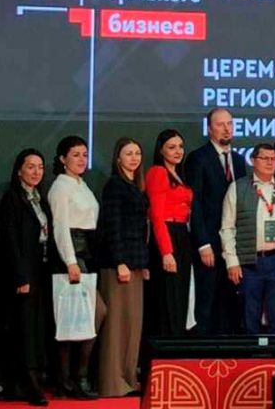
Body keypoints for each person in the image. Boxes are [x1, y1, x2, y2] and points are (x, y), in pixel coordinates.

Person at [220, 143, 275, 334]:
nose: (270, 162)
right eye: (264, 158)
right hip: (249, 263)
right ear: (253, 160)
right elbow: (227, 228)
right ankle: (251, 352)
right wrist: (231, 261)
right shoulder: (238, 188)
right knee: (249, 317)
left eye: (273, 159)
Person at [48, 136, 107, 399]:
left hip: (87, 253)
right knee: (77, 317)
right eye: (75, 155)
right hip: (72, 255)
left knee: (83, 316)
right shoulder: (60, 187)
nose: (82, 159)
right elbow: (60, 227)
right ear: (63, 159)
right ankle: (70, 379)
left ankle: (73, 378)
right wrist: (70, 261)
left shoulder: (82, 184)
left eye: (84, 154)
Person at [0, 149, 54, 406]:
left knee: (36, 327)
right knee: (24, 328)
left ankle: (26, 381)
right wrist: (21, 277)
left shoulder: (40, 199)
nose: (36, 172)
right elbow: (10, 241)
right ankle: (28, 383)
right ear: (19, 170)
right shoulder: (12, 199)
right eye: (30, 167)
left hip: (40, 270)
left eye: (40, 167)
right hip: (22, 272)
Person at [97, 137, 150, 397]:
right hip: (118, 264)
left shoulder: (136, 186)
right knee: (117, 327)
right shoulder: (114, 185)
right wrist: (120, 261)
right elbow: (112, 226)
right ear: (118, 158)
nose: (134, 158)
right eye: (128, 153)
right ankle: (112, 383)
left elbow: (140, 229)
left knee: (132, 325)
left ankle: (128, 379)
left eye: (137, 153)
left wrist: (143, 263)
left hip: (136, 263)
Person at [184, 107, 244, 335]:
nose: (226, 129)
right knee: (206, 303)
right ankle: (202, 352)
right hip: (208, 245)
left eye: (229, 124)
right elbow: (195, 204)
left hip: (233, 246)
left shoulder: (238, 160)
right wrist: (203, 243)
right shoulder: (198, 158)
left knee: (230, 306)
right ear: (209, 129)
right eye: (220, 124)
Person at [146, 129, 193, 338]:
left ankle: (177, 345)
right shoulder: (158, 172)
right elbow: (157, 216)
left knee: (180, 296)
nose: (178, 151)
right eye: (172, 147)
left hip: (182, 235)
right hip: (167, 235)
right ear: (161, 150)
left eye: (180, 147)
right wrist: (166, 252)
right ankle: (165, 348)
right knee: (168, 298)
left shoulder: (179, 174)